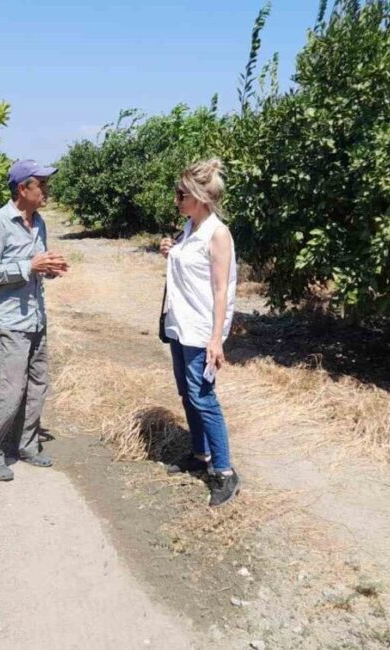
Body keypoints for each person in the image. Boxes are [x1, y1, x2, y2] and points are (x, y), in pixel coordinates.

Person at [0, 159, 69, 481]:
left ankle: (26, 444)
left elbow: (36, 268)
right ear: (22, 189)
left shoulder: (39, 222)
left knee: (37, 386)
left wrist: (49, 269)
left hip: (36, 319)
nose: (46, 190)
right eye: (40, 184)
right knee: (11, 391)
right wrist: (29, 266)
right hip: (10, 321)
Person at [159, 159, 240, 507]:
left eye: (182, 194)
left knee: (204, 397)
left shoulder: (217, 233)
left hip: (200, 330)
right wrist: (171, 249)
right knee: (188, 394)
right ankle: (200, 453)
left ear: (199, 197)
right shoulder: (190, 228)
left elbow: (222, 290)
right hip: (179, 325)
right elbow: (186, 264)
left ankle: (224, 471)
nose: (177, 200)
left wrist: (216, 338)